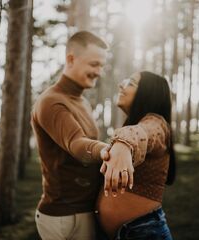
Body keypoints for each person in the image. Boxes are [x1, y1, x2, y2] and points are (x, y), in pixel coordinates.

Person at [31, 31, 133, 240]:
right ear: (70, 59)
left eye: (102, 66)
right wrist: (111, 150)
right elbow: (76, 143)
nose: (99, 71)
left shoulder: (82, 101)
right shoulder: (52, 101)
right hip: (62, 217)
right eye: (94, 64)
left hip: (85, 211)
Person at [97, 71, 176, 240]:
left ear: (148, 94)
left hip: (145, 233)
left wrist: (124, 143)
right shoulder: (136, 122)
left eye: (131, 83)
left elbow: (143, 133)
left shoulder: (157, 124)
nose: (121, 85)